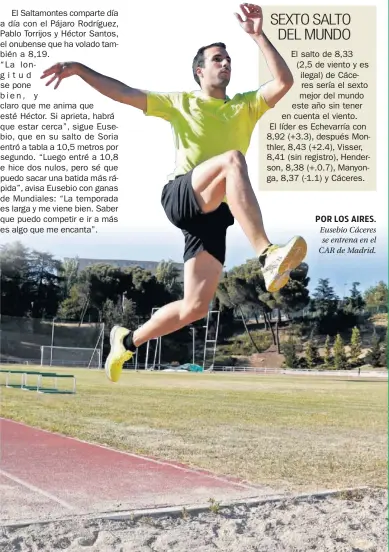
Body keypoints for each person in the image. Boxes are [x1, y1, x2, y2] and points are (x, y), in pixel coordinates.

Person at [42, 3, 307, 382]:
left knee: (196, 307)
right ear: (200, 71)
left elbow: (284, 82)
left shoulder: (245, 105)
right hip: (182, 195)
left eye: (229, 59)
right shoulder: (180, 103)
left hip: (213, 213)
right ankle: (266, 253)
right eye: (218, 59)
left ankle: (127, 341)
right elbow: (123, 92)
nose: (226, 64)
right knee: (232, 159)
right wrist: (80, 69)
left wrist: (257, 35)